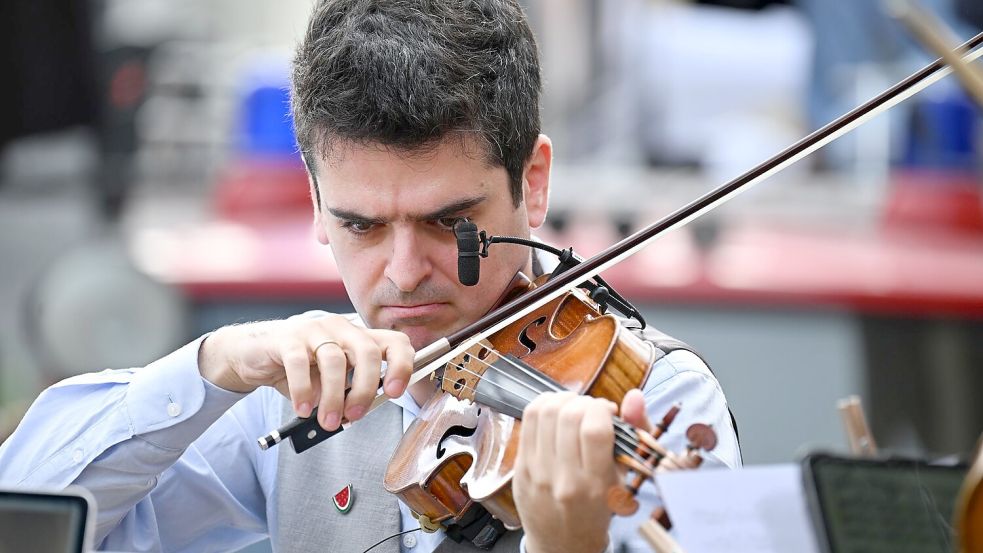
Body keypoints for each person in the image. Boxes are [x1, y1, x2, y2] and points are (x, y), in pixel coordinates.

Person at [0, 1, 741, 551]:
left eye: (450, 222)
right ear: (317, 201)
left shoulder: (656, 399)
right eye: (360, 225)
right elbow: (25, 516)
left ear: (534, 184)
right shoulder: (287, 402)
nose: (403, 272)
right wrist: (212, 365)